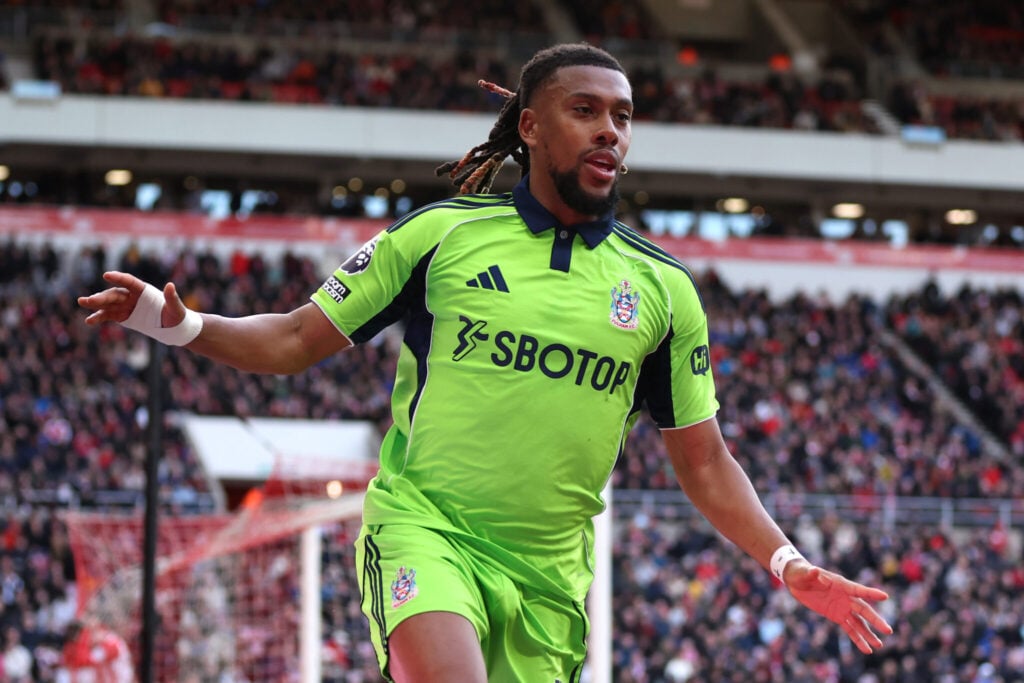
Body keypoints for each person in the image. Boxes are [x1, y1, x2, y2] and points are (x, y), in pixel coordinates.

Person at [79, 42, 892, 683]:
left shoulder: (663, 291)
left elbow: (705, 461)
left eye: (622, 115)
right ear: (531, 127)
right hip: (427, 531)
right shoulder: (442, 237)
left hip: (549, 579)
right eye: (585, 110)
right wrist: (179, 324)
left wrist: (788, 562)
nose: (610, 131)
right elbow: (296, 339)